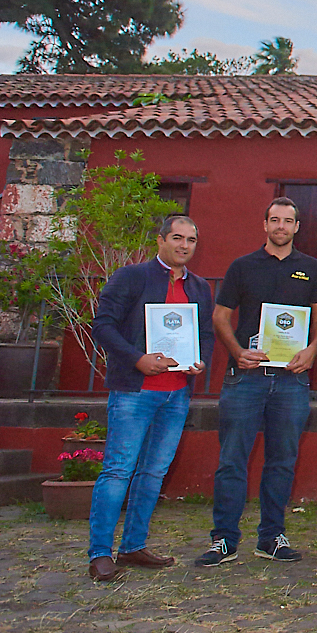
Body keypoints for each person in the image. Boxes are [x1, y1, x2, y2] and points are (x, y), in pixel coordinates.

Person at [198, 198, 317, 567]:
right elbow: (221, 317)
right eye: (275, 220)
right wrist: (237, 351)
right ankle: (223, 539)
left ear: (297, 227)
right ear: (265, 224)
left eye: (288, 221)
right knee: (231, 461)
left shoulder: (312, 268)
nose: (281, 226)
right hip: (247, 378)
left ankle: (271, 537)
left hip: (291, 381)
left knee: (282, 462)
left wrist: (313, 351)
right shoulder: (242, 267)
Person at [86, 215, 213, 582]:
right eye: (177, 238)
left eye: (191, 240)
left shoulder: (201, 287)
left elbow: (204, 333)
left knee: (154, 472)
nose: (184, 246)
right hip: (134, 391)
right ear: (160, 241)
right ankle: (99, 553)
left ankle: (133, 546)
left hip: (176, 394)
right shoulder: (132, 277)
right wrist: (137, 359)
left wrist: (199, 360)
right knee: (118, 470)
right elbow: (103, 325)